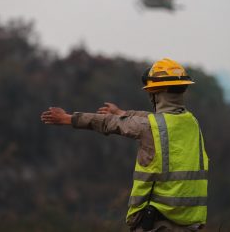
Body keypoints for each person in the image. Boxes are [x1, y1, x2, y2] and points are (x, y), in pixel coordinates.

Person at [41, 58, 208, 232]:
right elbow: (151, 119)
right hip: (189, 223)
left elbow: (109, 123)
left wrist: (68, 118)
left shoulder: (150, 127)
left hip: (158, 223)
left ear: (157, 93)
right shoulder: (191, 122)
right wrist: (122, 112)